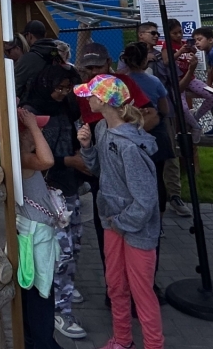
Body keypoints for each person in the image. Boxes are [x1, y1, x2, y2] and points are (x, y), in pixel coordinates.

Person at [76, 75, 163, 349]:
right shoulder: (101, 128)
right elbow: (100, 170)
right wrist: (87, 148)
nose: (86, 99)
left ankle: (154, 345)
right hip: (113, 223)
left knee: (142, 292)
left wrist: (121, 221)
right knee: (115, 285)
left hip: (135, 230)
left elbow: (146, 200)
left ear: (103, 101)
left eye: (90, 94)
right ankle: (122, 340)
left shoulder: (128, 146)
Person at [27, 64, 88, 340]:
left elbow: (69, 136)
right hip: (49, 191)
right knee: (59, 253)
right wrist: (68, 161)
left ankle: (65, 288)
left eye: (67, 88)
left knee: (73, 246)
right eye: (59, 88)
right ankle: (60, 309)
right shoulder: (33, 111)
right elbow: (41, 157)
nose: (62, 93)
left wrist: (80, 154)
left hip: (70, 186)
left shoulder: (66, 106)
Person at [123, 25, 190, 219]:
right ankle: (158, 217)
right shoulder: (153, 82)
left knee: (136, 174)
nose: (155, 36)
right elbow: (164, 107)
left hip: (131, 129)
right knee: (158, 173)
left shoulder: (122, 81)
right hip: (156, 130)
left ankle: (137, 212)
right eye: (152, 33)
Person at [15, 106, 63, 349]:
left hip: (35, 235)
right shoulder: (22, 160)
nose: (40, 133)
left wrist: (31, 128)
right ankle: (43, 343)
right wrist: (32, 127)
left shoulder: (20, 158)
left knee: (36, 295)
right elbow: (47, 160)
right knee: (41, 296)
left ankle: (38, 341)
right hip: (35, 240)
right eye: (36, 130)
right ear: (22, 134)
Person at [166, 19, 213, 136]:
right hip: (178, 81)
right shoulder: (168, 45)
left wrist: (192, 52)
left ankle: (195, 117)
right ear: (168, 34)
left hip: (190, 78)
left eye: (180, 32)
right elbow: (166, 61)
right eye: (175, 33)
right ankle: (196, 126)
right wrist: (180, 52)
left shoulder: (185, 43)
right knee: (183, 108)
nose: (179, 35)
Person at [15, 20, 60, 107]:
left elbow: (16, 86)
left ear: (29, 36)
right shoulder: (57, 55)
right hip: (56, 105)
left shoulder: (28, 59)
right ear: (45, 34)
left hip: (34, 108)